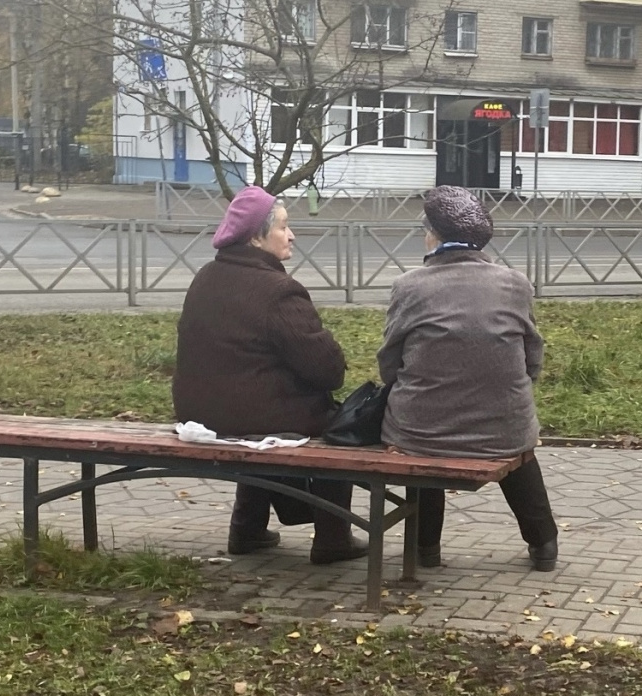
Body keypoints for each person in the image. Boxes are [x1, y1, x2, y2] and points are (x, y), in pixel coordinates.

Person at [172, 186, 369, 565]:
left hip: (199, 412)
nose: (291, 234)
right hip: (249, 418)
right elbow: (327, 371)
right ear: (257, 237)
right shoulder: (278, 291)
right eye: (283, 227)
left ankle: (247, 528)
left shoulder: (206, 277)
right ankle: (333, 537)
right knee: (335, 423)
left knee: (258, 410)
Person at [377, 185, 558, 572]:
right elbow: (532, 356)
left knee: (423, 449)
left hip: (420, 430)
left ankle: (425, 548)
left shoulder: (409, 286)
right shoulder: (515, 283)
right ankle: (544, 544)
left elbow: (389, 360)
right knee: (518, 447)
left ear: (433, 235)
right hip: (504, 426)